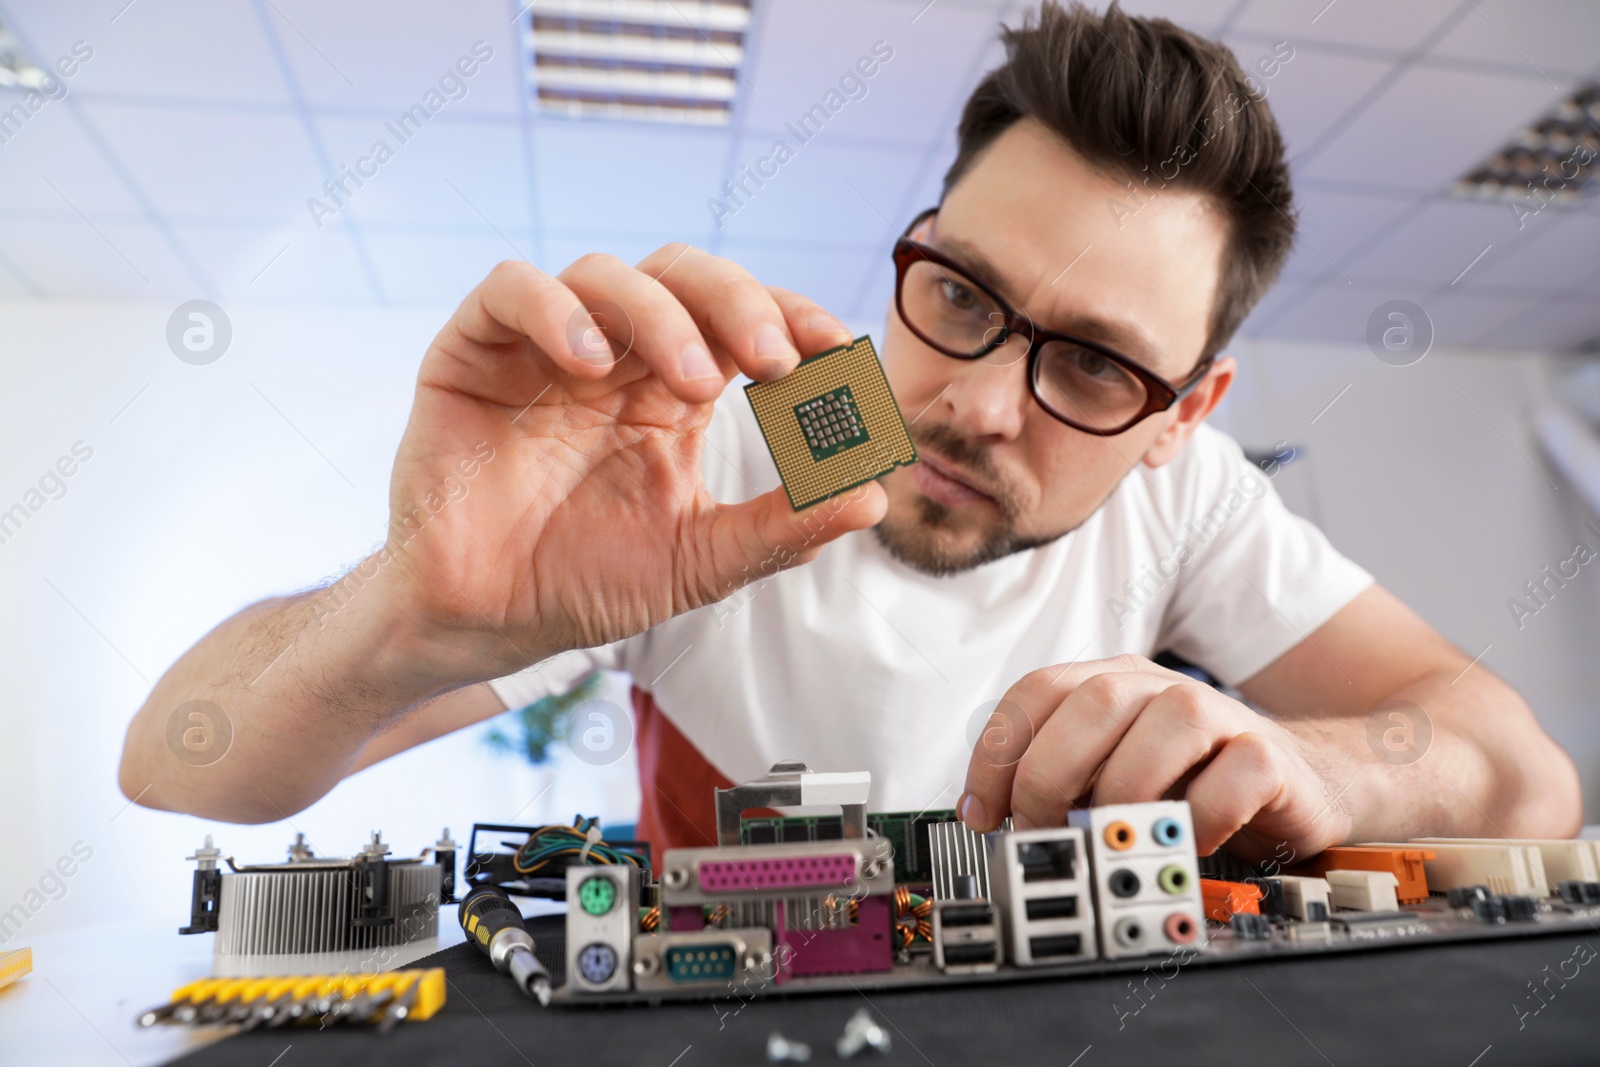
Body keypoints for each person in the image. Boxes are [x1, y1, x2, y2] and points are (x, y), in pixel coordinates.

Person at [117, 2, 1579, 862]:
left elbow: (1526, 776)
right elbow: (175, 763)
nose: (978, 403)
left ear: (1181, 419)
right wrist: (414, 613)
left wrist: (1330, 768)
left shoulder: (1182, 497)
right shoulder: (738, 444)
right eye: (963, 295)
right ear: (917, 249)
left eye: (1095, 369)